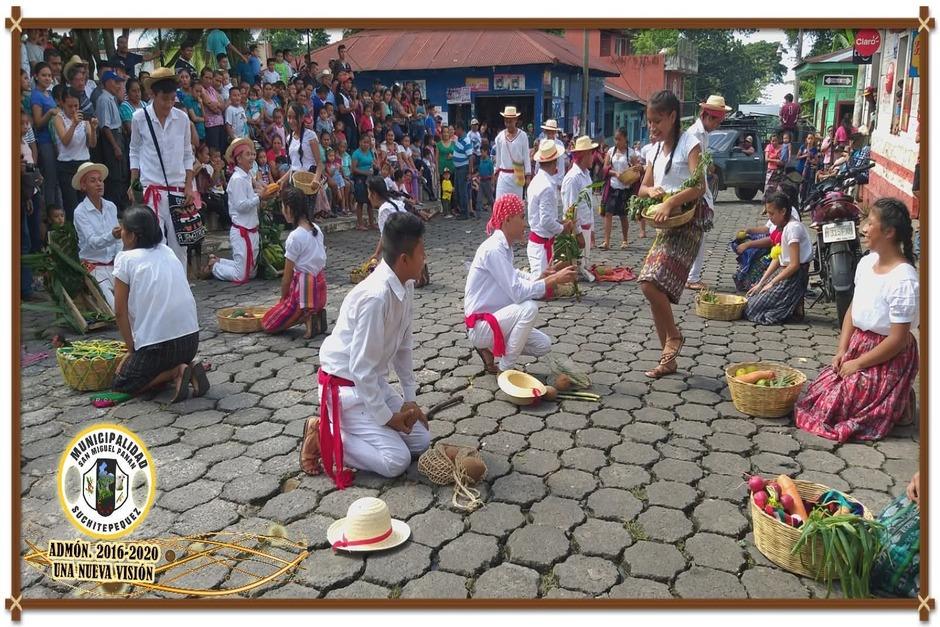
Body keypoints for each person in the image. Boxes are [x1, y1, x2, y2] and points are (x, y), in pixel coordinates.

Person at [299, 212, 430, 484]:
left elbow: (404, 348)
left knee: (420, 440)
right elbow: (360, 369)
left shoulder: (406, 286)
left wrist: (410, 399)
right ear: (404, 260)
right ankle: (323, 432)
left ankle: (362, 430)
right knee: (396, 460)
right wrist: (388, 418)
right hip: (346, 388)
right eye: (422, 252)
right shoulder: (375, 298)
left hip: (370, 382)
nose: (425, 258)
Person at [794, 198, 919, 442]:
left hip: (887, 355)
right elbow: (853, 309)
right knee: (818, 396)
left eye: (870, 223)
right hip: (858, 346)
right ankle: (898, 397)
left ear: (889, 232)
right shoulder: (867, 262)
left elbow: (898, 339)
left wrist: (858, 364)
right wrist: (842, 350)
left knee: (836, 406)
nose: (863, 229)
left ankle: (900, 399)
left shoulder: (904, 280)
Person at [636, 90, 708, 379]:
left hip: (687, 223)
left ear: (672, 117)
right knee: (653, 288)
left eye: (657, 121)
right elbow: (642, 188)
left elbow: (699, 185)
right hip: (665, 225)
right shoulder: (653, 150)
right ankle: (668, 359)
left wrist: (670, 201)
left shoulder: (690, 143)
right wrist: (652, 191)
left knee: (650, 284)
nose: (652, 127)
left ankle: (674, 337)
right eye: (649, 121)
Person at [464, 194, 577, 374]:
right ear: (508, 219)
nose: (525, 224)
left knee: (543, 345)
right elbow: (517, 292)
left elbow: (514, 275)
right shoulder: (493, 249)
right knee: (529, 308)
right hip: (482, 325)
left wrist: (540, 277)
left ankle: (490, 348)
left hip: (497, 319)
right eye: (522, 217)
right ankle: (505, 369)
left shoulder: (504, 247)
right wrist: (552, 280)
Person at [111, 206, 206, 402]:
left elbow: (119, 312)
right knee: (153, 362)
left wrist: (132, 351)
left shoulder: (125, 259)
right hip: (190, 342)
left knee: (122, 382)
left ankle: (176, 372)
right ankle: (185, 366)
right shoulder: (167, 251)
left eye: (123, 229)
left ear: (132, 236)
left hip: (159, 348)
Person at [128, 67, 194, 269]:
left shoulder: (182, 118)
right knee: (155, 244)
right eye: (164, 99)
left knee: (180, 245)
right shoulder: (139, 117)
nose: (169, 104)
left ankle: (179, 284)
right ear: (153, 95)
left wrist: (189, 185)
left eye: (172, 99)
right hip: (151, 189)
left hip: (177, 189)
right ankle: (159, 283)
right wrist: (134, 182)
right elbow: (134, 150)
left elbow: (188, 153)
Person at [205, 138, 276, 282]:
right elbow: (241, 206)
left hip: (251, 230)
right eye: (248, 154)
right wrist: (260, 197)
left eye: (252, 154)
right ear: (238, 159)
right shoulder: (237, 179)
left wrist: (264, 194)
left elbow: (253, 196)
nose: (252, 158)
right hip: (242, 232)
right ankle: (215, 267)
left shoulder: (247, 177)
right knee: (241, 275)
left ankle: (219, 261)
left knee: (250, 273)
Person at [262, 186, 328, 338]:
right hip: (320, 289)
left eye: (283, 207)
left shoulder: (295, 236)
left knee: (268, 324)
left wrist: (283, 299)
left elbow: (287, 277)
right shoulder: (316, 229)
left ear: (289, 209)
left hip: (304, 293)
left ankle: (306, 318)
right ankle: (313, 314)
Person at [744, 191, 813, 323]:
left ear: (783, 211)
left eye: (772, 214)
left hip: (795, 276)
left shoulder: (793, 229)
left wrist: (772, 283)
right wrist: (762, 283)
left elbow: (794, 265)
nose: (769, 218)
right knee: (750, 299)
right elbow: (778, 258)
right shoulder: (783, 227)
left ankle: (793, 308)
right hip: (785, 271)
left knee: (751, 309)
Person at [685, 94, 731, 291]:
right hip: (695, 193)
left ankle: (690, 275)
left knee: (698, 235)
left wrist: (709, 168)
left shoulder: (704, 134)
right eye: (716, 121)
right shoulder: (694, 135)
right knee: (697, 235)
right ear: (706, 116)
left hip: (701, 190)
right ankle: (691, 277)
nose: (717, 125)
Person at [73, 162, 122, 309]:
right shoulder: (80, 212)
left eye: (100, 180)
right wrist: (112, 236)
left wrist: (120, 259)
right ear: (83, 186)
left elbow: (119, 241)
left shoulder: (111, 206)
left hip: (114, 264)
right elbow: (92, 242)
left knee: (133, 302)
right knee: (114, 306)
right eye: (93, 181)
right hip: (93, 266)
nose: (99, 184)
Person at [52, 84, 98, 220]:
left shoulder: (84, 119)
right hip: (66, 165)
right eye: (70, 106)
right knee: (71, 205)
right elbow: (65, 141)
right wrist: (73, 124)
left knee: (86, 203)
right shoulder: (58, 118)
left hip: (83, 164)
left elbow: (92, 144)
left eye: (76, 106)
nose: (73, 109)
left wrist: (93, 129)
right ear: (63, 104)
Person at [527, 139, 572, 276]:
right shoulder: (546, 186)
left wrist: (559, 222)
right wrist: (562, 229)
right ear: (554, 162)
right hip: (541, 245)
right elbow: (545, 220)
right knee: (541, 285)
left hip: (540, 242)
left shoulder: (537, 180)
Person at [562, 136, 599, 282]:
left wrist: (592, 229)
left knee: (584, 264)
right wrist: (578, 233)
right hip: (577, 229)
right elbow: (570, 210)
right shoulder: (573, 178)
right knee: (575, 266)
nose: (593, 157)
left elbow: (588, 206)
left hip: (586, 225)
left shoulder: (586, 175)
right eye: (591, 154)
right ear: (583, 156)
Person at [601, 127, 644, 250]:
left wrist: (635, 169)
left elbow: (637, 168)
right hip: (613, 186)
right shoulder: (611, 152)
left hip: (625, 187)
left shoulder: (631, 153)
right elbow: (605, 168)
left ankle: (625, 240)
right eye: (615, 139)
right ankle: (606, 241)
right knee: (608, 213)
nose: (617, 142)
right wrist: (615, 173)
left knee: (623, 215)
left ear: (625, 139)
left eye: (619, 139)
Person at [95, 71, 129, 214]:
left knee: (122, 173)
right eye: (115, 82)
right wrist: (115, 146)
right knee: (114, 175)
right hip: (112, 137)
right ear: (107, 82)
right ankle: (115, 206)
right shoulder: (104, 99)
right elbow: (105, 126)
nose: (118, 85)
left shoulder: (111, 98)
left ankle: (122, 203)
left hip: (118, 135)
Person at [31, 62, 61, 209]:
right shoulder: (36, 96)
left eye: (49, 75)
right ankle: (51, 210)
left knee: (56, 178)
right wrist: (50, 113)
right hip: (45, 141)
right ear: (36, 76)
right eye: (44, 75)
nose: (47, 78)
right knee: (50, 177)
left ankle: (58, 210)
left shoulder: (48, 94)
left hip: (55, 140)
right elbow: (38, 123)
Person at [494, 106, 532, 199]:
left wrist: (528, 175)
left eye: (510, 121)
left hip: (517, 176)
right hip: (503, 176)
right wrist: (495, 173)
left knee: (516, 203)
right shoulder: (500, 137)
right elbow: (498, 159)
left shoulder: (523, 136)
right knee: (501, 202)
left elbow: (526, 157)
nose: (508, 124)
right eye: (506, 121)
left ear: (516, 120)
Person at [351, 133, 377, 230]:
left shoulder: (370, 152)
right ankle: (360, 223)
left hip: (369, 179)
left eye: (368, 143)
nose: (366, 144)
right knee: (361, 201)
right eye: (364, 142)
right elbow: (353, 169)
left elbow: (373, 163)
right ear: (360, 142)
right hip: (360, 179)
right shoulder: (356, 153)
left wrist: (375, 167)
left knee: (370, 201)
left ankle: (372, 223)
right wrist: (365, 172)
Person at [533, 119, 566, 191]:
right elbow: (539, 159)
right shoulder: (542, 142)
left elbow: (561, 164)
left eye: (552, 131)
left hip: (554, 176)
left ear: (555, 132)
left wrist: (560, 181)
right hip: (543, 174)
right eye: (548, 131)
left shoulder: (559, 144)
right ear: (545, 131)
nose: (550, 133)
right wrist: (536, 172)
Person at [451, 121, 474, 219]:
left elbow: (470, 157)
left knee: (462, 191)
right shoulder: (459, 139)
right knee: (458, 190)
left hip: (463, 169)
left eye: (457, 129)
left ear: (461, 129)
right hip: (457, 168)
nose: (455, 131)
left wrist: (469, 172)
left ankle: (465, 213)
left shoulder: (466, 140)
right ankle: (461, 210)